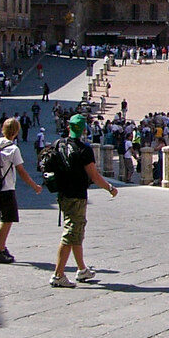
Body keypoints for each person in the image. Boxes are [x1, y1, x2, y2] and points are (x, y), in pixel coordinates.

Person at [49, 114, 118, 287]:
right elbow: (94, 176)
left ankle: (82, 269)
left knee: (76, 231)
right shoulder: (84, 149)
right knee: (70, 233)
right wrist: (110, 188)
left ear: (68, 127)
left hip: (63, 195)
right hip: (77, 195)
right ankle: (58, 275)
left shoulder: (58, 144)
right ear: (84, 130)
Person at [0, 118, 43, 264]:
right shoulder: (13, 149)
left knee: (4, 217)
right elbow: (22, 171)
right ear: (16, 131)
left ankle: (2, 247)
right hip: (6, 187)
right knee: (6, 220)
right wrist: (34, 186)